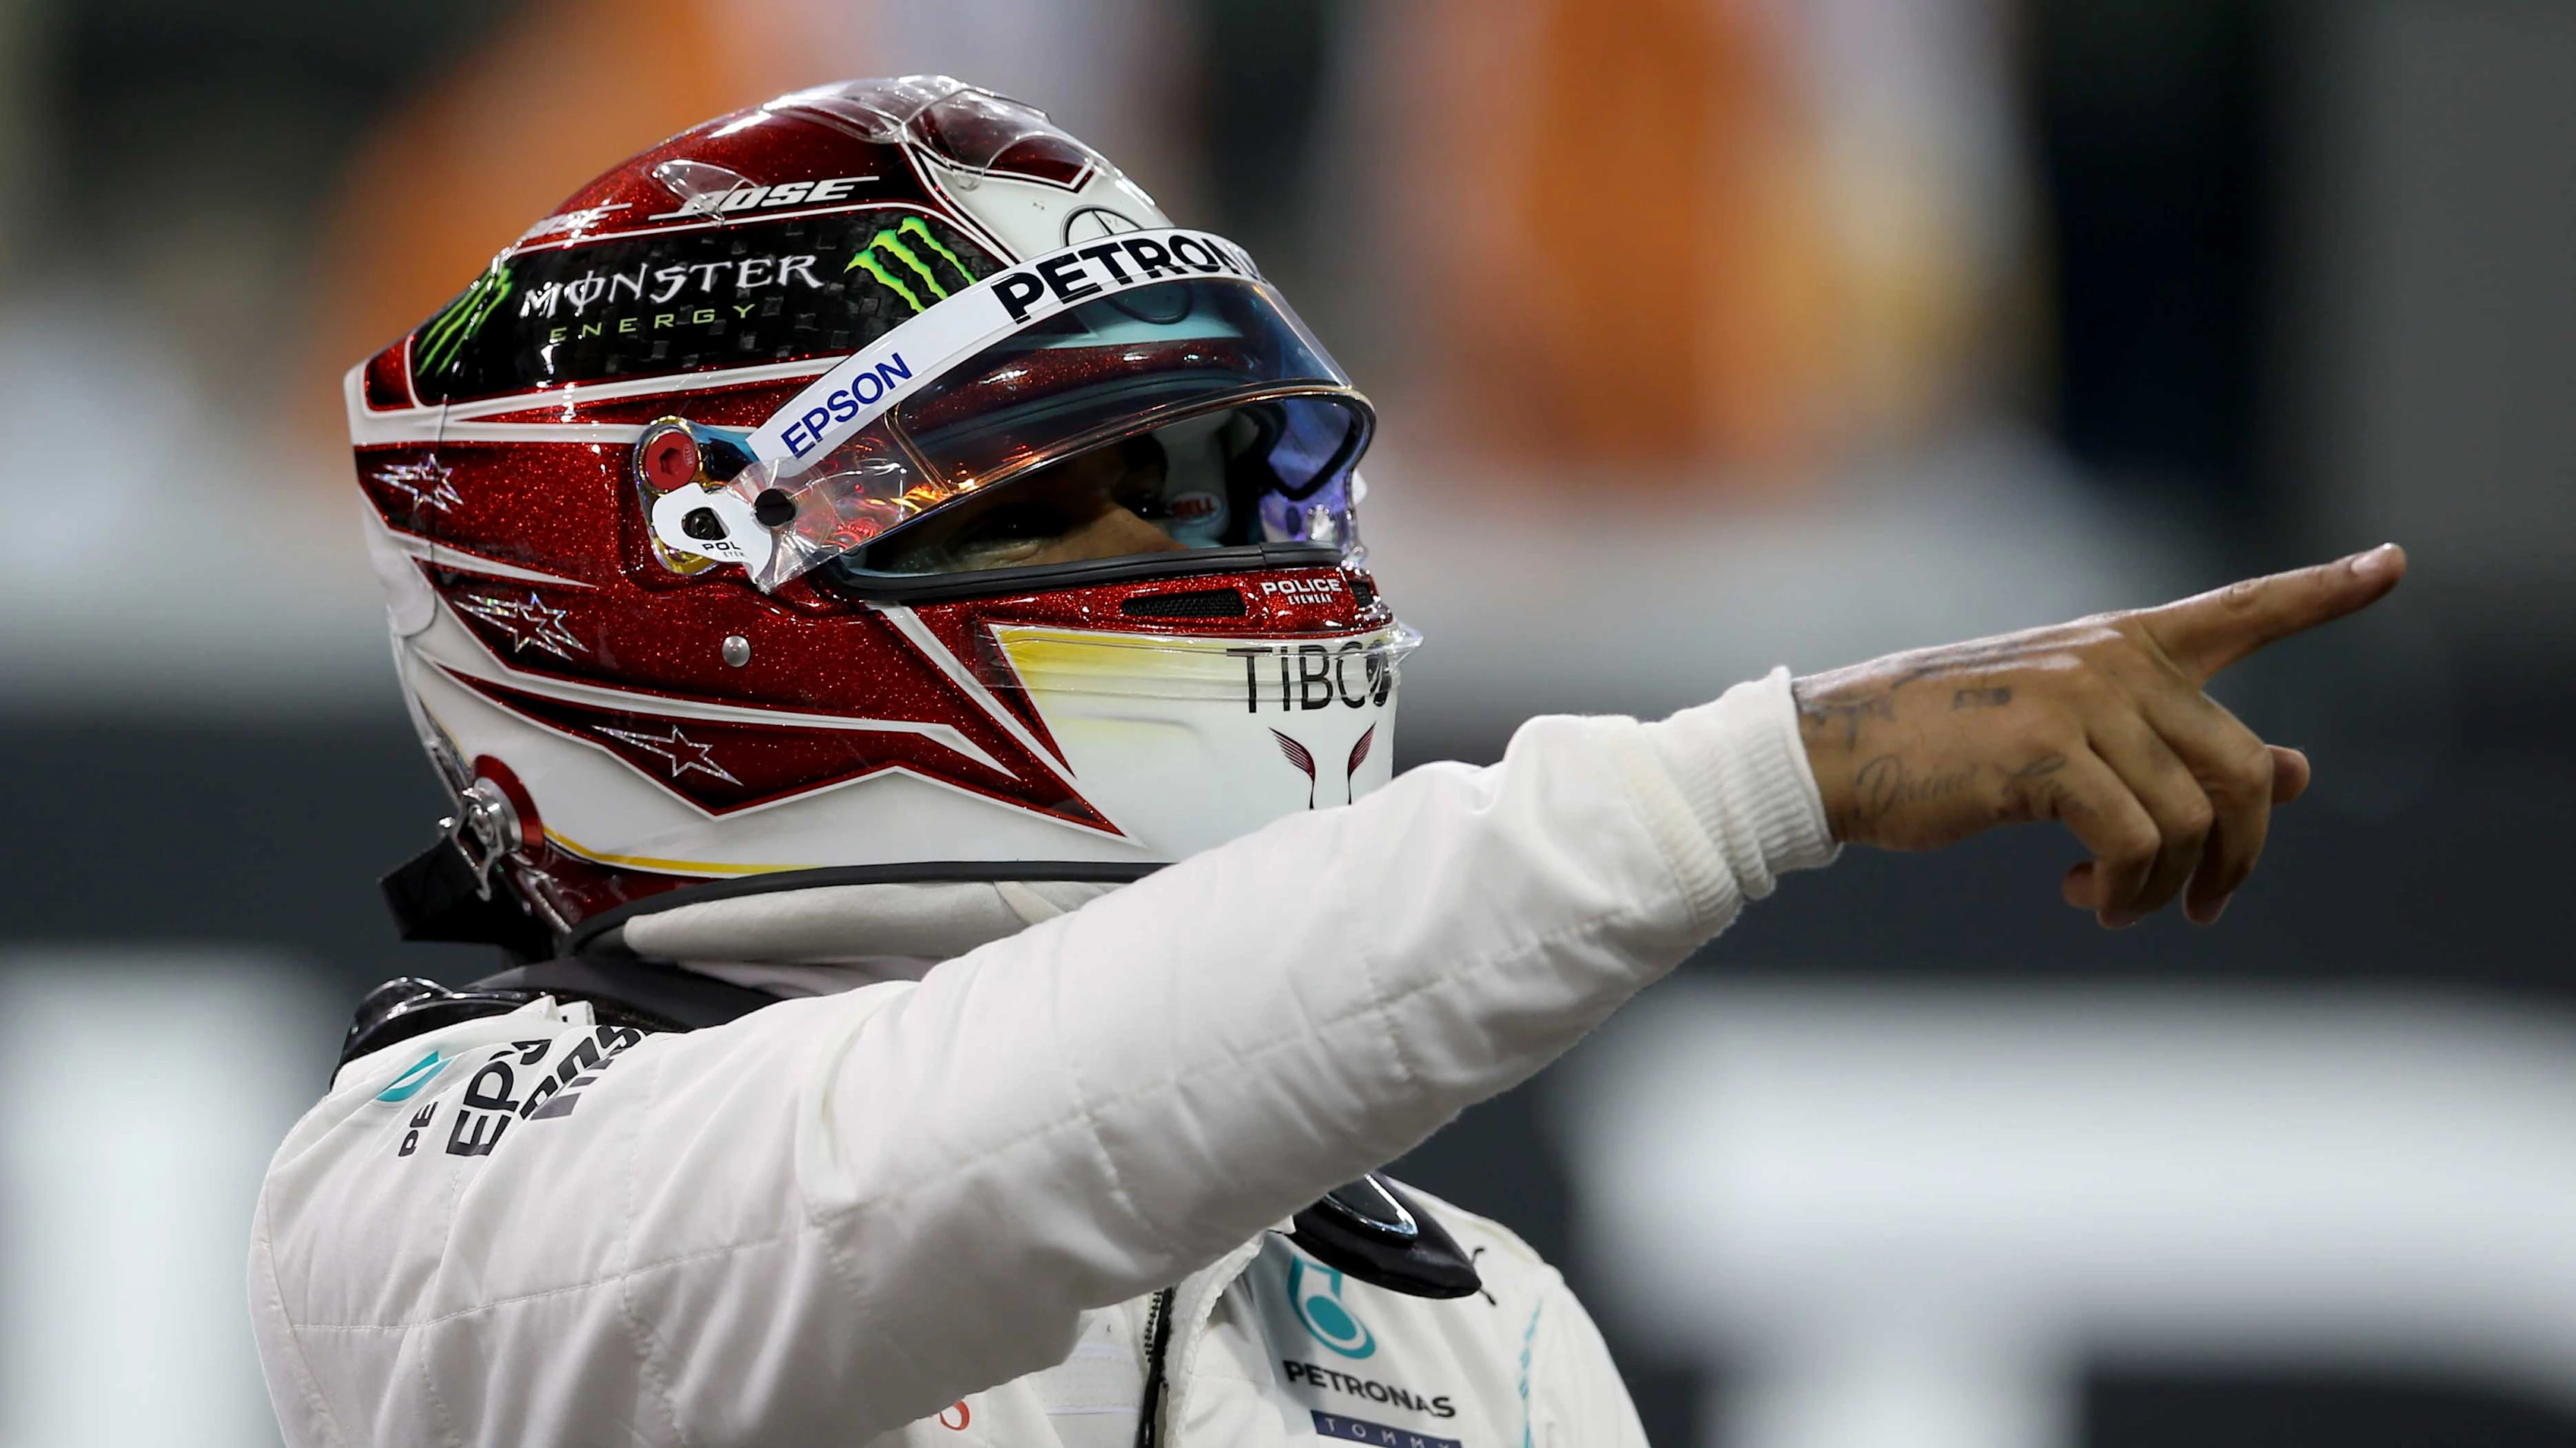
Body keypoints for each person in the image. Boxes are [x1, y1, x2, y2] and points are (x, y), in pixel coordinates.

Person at [251, 77, 2404, 1447]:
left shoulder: (1465, 1331)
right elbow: (957, 1156)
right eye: (1067, 494)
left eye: (1235, 480)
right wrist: (1775, 775)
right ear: (682, 579)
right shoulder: (423, 1196)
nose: (1232, 564)